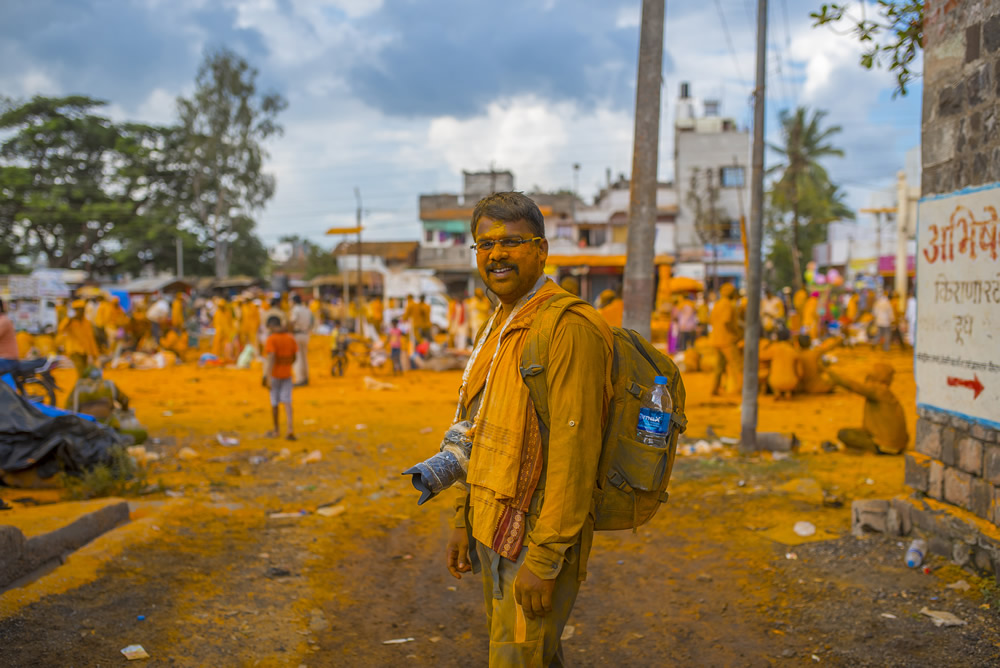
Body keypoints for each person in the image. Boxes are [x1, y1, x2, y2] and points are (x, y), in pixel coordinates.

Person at [445, 192, 613, 667]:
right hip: (492, 524)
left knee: (517, 657)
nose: (496, 254)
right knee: (533, 655)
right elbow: (473, 427)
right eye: (485, 244)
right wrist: (464, 516)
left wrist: (544, 557)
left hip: (536, 539)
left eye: (511, 241)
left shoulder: (567, 328)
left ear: (541, 250)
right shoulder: (501, 322)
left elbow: (575, 451)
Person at [826, 363, 908, 454]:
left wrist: (834, 376)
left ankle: (867, 451)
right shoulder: (886, 393)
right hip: (898, 447)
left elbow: (854, 386)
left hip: (885, 447)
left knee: (844, 434)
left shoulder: (878, 390)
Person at [263, 316, 297, 440]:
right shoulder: (290, 338)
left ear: (271, 326)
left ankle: (276, 430)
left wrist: (267, 376)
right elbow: (294, 357)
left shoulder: (271, 339)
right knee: (287, 402)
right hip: (287, 374)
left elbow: (271, 357)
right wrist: (286, 365)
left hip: (274, 376)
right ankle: (290, 428)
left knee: (274, 403)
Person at [708, 283, 741, 396]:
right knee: (736, 365)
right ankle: (741, 389)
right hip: (727, 340)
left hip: (716, 340)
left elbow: (711, 320)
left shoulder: (717, 304)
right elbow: (726, 321)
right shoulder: (728, 305)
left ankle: (714, 389)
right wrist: (736, 333)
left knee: (719, 367)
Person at [59, 299, 100, 377]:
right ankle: (81, 387)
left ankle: (79, 388)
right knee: (81, 373)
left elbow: (90, 339)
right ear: (75, 310)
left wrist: (94, 353)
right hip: (74, 350)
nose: (81, 312)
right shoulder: (69, 321)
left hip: (84, 351)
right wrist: (70, 319)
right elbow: (61, 329)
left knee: (85, 373)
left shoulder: (87, 322)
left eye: (82, 309)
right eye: (78, 310)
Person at [289, 294, 313, 387]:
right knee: (304, 358)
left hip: (297, 334)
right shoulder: (307, 309)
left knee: (298, 358)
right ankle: (306, 377)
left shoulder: (295, 310)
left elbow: (292, 322)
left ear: (294, 301)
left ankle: (300, 379)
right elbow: (312, 323)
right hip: (306, 334)